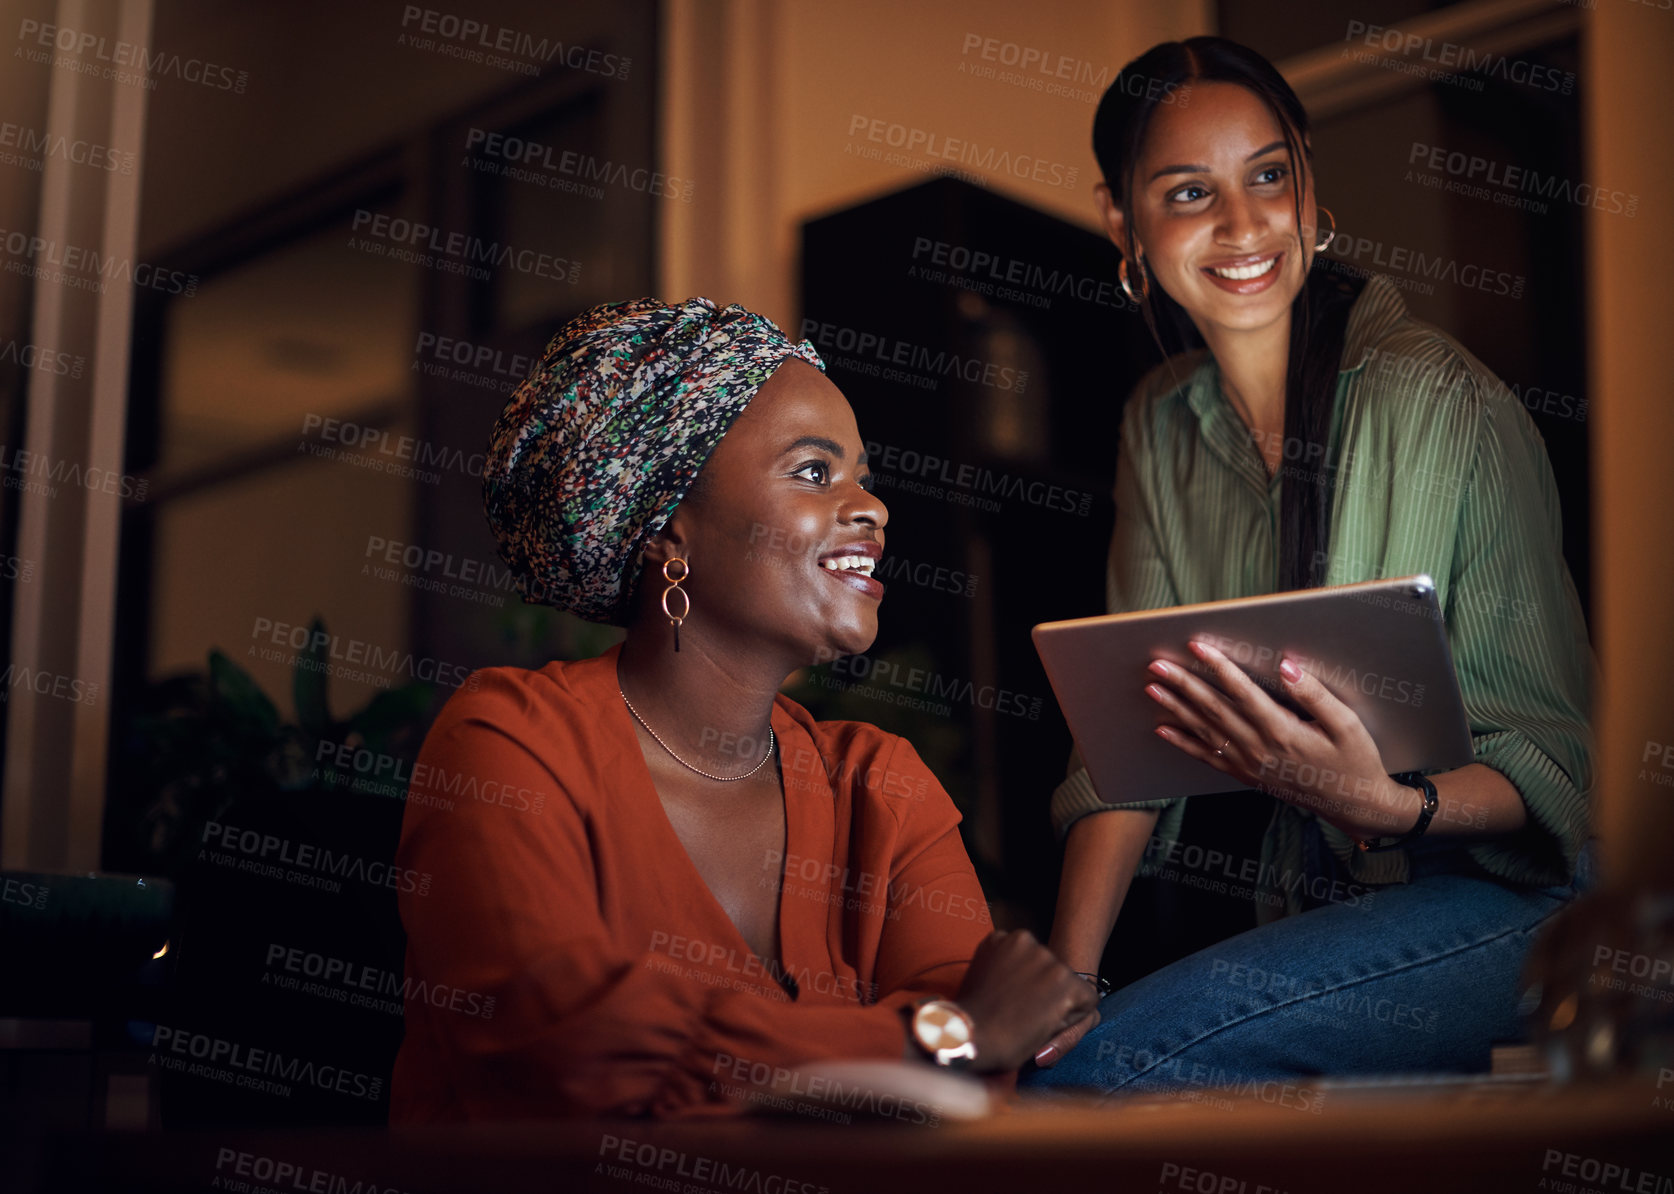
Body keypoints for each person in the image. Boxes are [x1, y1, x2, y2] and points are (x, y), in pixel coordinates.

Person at [1024, 37, 1593, 1091]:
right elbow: (1126, 738)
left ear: (1309, 185)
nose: (1243, 227)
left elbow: (1565, 762)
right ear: (1123, 223)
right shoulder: (1161, 421)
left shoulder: (1443, 401)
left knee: (1095, 1082)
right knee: (1041, 1070)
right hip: (1326, 902)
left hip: (1512, 897)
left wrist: (1390, 807)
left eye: (1268, 176)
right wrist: (1068, 978)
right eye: (1190, 191)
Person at [389, 298, 1095, 1121]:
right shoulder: (508, 743)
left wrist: (952, 1043)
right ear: (667, 531)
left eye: (863, 475)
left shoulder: (880, 785)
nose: (873, 507)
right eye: (812, 471)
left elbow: (981, 1077)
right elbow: (567, 1044)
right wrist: (929, 1038)